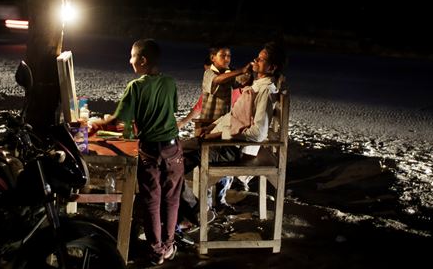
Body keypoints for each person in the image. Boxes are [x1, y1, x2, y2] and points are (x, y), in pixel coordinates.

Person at [90, 38, 182, 266]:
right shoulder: (170, 83)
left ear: (142, 60)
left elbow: (118, 119)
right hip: (172, 149)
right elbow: (173, 109)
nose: (129, 60)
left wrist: (96, 123)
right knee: (171, 200)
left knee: (152, 200)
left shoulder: (136, 87)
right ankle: (169, 246)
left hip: (150, 150)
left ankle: (156, 251)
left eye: (132, 56)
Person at [181, 41, 287, 217]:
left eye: (261, 59)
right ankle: (191, 209)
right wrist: (214, 126)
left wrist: (218, 135)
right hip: (224, 141)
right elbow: (233, 114)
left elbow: (258, 133)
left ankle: (195, 212)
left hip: (232, 148)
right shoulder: (257, 85)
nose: (256, 60)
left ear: (271, 67)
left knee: (174, 162)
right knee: (175, 154)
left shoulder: (265, 91)